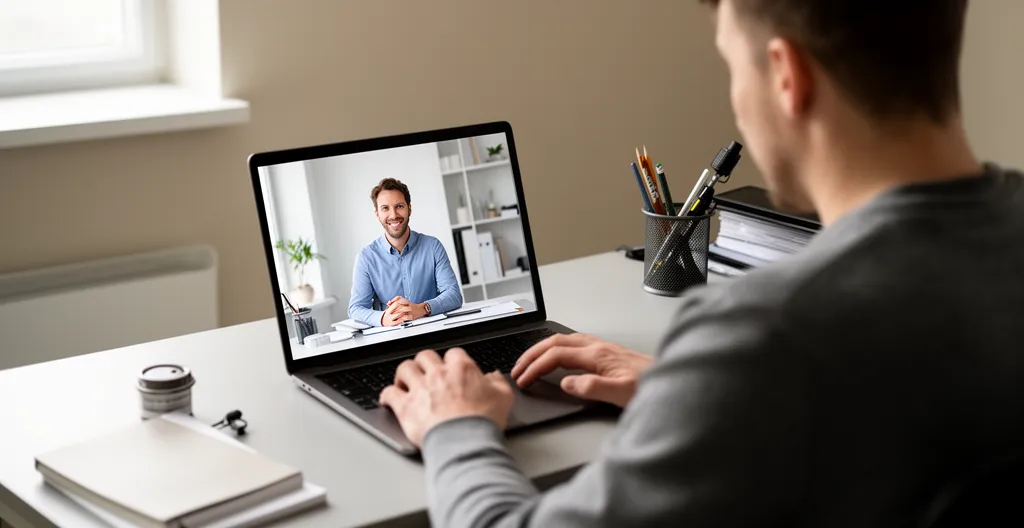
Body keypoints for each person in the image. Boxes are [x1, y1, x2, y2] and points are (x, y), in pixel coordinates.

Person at [380, 0, 1024, 526]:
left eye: (730, 66)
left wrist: (455, 428)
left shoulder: (769, 337)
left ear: (785, 76)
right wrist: (689, 393)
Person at [349, 178, 463, 327]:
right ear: (377, 214)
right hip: (390, 339)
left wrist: (421, 309)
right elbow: (355, 309)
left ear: (409, 208)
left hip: (432, 332)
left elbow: (454, 295)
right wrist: (384, 318)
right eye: (385, 208)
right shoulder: (366, 258)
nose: (393, 215)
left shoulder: (433, 246)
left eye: (399, 206)